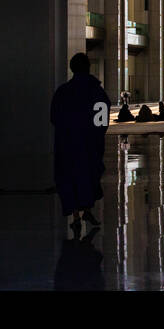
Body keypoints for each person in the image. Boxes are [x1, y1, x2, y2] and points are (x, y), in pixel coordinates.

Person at [50, 53, 110, 236]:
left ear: (72, 68)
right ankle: (87, 211)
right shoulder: (97, 91)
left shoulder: (62, 92)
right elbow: (102, 120)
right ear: (88, 68)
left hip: (67, 143)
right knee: (88, 176)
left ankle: (76, 215)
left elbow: (54, 118)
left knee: (69, 178)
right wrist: (96, 136)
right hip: (89, 144)